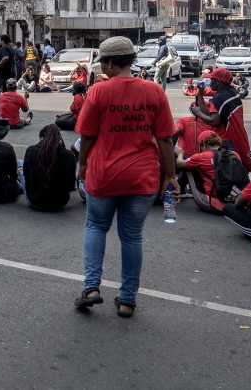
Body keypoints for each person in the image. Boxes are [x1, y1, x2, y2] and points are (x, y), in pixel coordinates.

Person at [74, 36, 177, 317]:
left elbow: (87, 136)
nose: (101, 69)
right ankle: (128, 300)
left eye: (103, 64)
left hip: (104, 173)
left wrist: (83, 167)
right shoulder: (154, 91)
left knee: (96, 227)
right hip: (142, 176)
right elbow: (166, 140)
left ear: (110, 62)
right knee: (132, 237)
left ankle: (92, 288)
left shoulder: (99, 92)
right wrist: (171, 176)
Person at [189, 67, 251, 172]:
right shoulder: (229, 93)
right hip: (231, 139)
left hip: (226, 141)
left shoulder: (220, 97)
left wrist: (197, 113)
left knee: (220, 174)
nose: (210, 82)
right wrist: (200, 95)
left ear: (218, 81)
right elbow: (209, 112)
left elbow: (214, 121)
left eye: (212, 79)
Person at [174, 131, 234, 214]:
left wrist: (180, 154)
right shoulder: (233, 154)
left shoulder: (202, 156)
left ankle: (178, 190)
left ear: (203, 145)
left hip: (209, 200)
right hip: (229, 196)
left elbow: (180, 164)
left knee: (188, 167)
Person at [20, 124, 77, 211]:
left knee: (19, 163)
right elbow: (70, 185)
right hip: (60, 203)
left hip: (34, 201)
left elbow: (27, 176)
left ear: (41, 137)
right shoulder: (68, 155)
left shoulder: (31, 150)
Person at [0, 35, 14, 99]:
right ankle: (6, 102)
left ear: (3, 41)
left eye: (0, 40)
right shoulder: (10, 48)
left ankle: (1, 100)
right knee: (6, 90)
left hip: (3, 72)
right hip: (10, 72)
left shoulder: (4, 48)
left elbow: (6, 57)